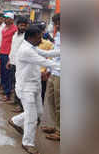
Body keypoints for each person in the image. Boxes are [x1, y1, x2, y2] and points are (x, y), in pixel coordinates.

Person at [8, 26, 60, 154]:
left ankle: (15, 121)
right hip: (26, 88)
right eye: (39, 37)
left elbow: (47, 54)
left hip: (34, 84)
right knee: (32, 116)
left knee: (39, 113)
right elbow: (46, 62)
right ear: (31, 37)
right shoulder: (26, 50)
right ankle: (28, 143)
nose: (41, 39)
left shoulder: (31, 47)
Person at [40, 13, 61, 141]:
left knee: (61, 104)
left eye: (59, 22)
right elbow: (54, 55)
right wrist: (48, 69)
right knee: (51, 100)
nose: (57, 25)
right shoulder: (58, 35)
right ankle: (55, 126)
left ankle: (61, 131)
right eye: (56, 23)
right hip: (54, 72)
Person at [6, 16, 29, 110]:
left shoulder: (27, 36)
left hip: (22, 64)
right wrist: (9, 60)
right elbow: (13, 48)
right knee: (14, 83)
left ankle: (21, 105)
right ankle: (15, 100)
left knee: (21, 85)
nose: (22, 27)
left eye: (24, 25)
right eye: (21, 25)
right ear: (18, 25)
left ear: (27, 26)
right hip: (13, 62)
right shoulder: (15, 35)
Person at [0, 12, 18, 101]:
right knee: (2, 72)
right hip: (2, 52)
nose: (5, 20)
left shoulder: (15, 29)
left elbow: (15, 43)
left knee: (8, 73)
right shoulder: (4, 27)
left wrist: (12, 55)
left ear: (12, 19)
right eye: (5, 18)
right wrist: (0, 50)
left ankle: (8, 93)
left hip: (9, 53)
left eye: (7, 18)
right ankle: (4, 88)